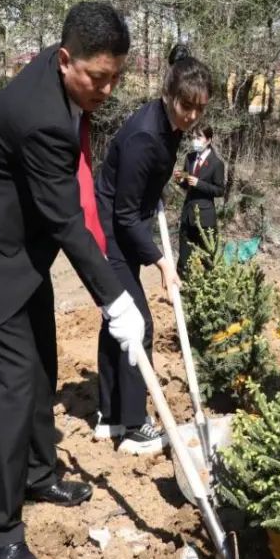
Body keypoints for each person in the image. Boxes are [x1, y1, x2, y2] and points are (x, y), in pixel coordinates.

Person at [0, 2, 146, 559]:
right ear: (64, 59)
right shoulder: (44, 118)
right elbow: (67, 221)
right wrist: (116, 298)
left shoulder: (57, 83)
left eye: (115, 77)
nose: (105, 89)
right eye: (96, 77)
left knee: (42, 366)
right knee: (12, 385)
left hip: (18, 247)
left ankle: (36, 472)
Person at [94, 56, 214, 453]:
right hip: (111, 233)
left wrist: (153, 191)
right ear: (168, 96)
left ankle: (109, 415)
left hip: (123, 226)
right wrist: (162, 261)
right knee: (136, 322)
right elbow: (125, 215)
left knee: (117, 320)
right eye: (186, 106)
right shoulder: (146, 136)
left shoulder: (169, 126)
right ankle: (132, 426)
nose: (192, 115)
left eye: (200, 108)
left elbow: (140, 186)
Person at [174, 124, 225, 276]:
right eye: (193, 137)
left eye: (199, 137)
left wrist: (199, 183)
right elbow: (187, 185)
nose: (195, 141)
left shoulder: (217, 163)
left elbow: (220, 190)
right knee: (184, 259)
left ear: (208, 140)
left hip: (205, 217)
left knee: (207, 260)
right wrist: (180, 179)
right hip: (187, 214)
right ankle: (183, 290)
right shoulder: (189, 158)